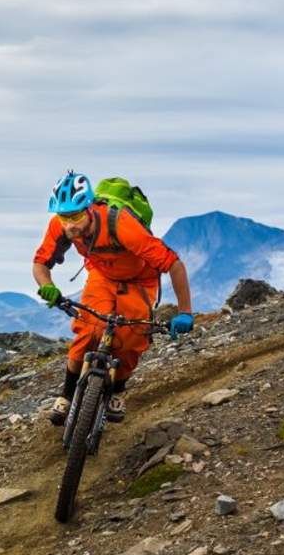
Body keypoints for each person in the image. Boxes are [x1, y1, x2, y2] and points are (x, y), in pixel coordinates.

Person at [30, 171, 194, 426]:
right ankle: (66, 395)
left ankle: (117, 391)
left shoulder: (121, 225)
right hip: (102, 275)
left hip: (140, 280)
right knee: (87, 331)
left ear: (90, 208)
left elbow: (174, 264)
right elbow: (41, 263)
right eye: (64, 217)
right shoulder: (60, 226)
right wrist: (47, 287)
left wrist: (185, 312)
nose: (70, 225)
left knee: (131, 340)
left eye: (76, 216)